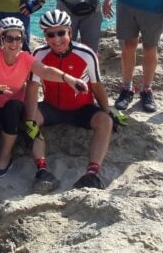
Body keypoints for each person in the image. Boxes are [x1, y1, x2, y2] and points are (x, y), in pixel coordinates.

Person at [0, 17, 87, 179]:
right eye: (9, 38)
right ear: (1, 39)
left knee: (13, 105)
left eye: (18, 39)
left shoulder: (26, 58)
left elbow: (45, 71)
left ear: (23, 40)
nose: (14, 43)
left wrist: (69, 79)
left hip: (12, 113)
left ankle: (5, 157)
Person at [25, 10, 123, 192]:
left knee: (105, 122)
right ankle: (42, 170)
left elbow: (97, 86)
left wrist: (107, 110)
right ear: (44, 35)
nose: (56, 39)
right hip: (51, 107)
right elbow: (32, 89)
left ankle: (92, 173)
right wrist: (30, 121)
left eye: (61, 33)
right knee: (30, 118)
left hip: (81, 109)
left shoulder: (86, 54)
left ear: (70, 31)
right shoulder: (39, 54)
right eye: (50, 34)